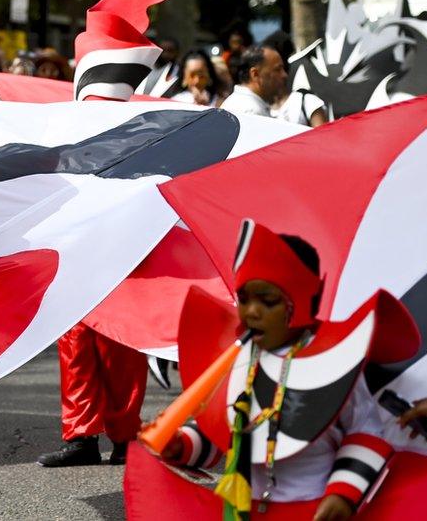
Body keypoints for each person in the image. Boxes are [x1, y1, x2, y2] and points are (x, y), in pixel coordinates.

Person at [159, 220, 402, 520]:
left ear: (299, 302)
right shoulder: (240, 360)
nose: (251, 312)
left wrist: (342, 495)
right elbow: (221, 428)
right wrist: (181, 444)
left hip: (314, 510)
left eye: (268, 300)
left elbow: (366, 432)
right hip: (245, 511)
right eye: (244, 299)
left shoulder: (332, 361)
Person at [38, 0, 169, 468]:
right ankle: (81, 436)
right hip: (74, 248)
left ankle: (125, 436)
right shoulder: (63, 126)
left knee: (121, 343)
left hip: (124, 248)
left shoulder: (145, 127)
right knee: (75, 341)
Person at [220, 45, 287, 117]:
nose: (284, 75)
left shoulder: (245, 104)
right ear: (255, 74)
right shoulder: (250, 111)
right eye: (277, 70)